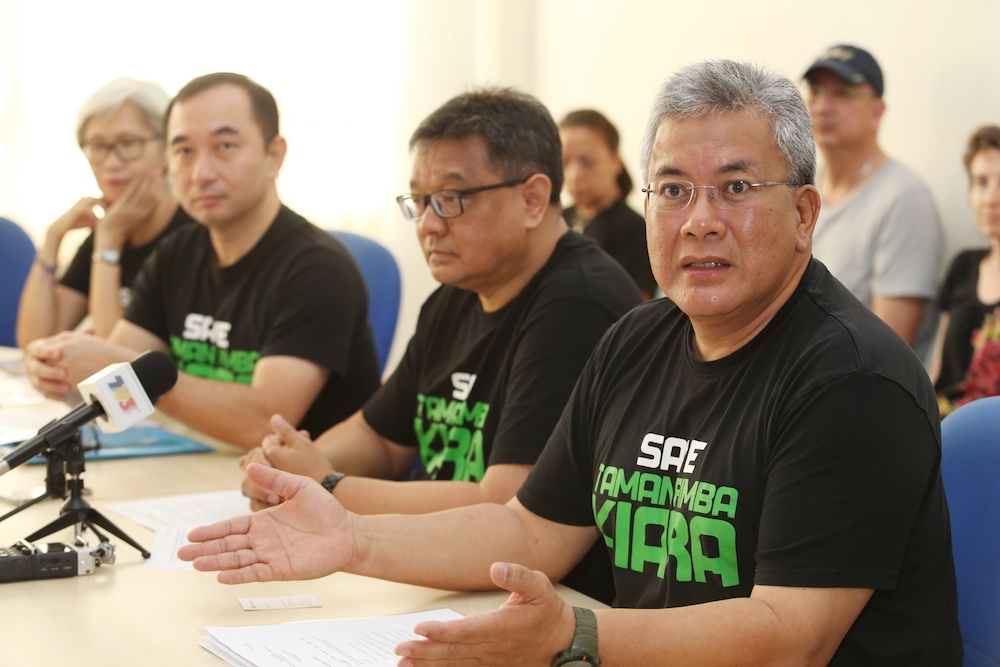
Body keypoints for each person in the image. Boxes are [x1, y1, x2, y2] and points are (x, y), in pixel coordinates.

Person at [180, 60, 961, 665]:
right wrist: (352, 537)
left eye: (734, 188)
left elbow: (789, 636)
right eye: (673, 190)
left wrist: (578, 633)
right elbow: (529, 530)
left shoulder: (851, 380)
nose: (699, 221)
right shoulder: (637, 341)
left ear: (802, 213)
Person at [239, 88, 643, 604]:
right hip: (447, 578)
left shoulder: (580, 306)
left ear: (532, 199)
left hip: (543, 595)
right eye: (420, 201)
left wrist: (329, 485)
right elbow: (381, 436)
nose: (428, 224)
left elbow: (504, 504)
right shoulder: (457, 295)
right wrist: (290, 468)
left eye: (451, 199)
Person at [23, 73, 381, 450]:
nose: (200, 174)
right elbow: (118, 383)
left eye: (224, 146)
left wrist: (130, 374)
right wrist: (59, 370)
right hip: (196, 462)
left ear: (274, 155)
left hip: (292, 479)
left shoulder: (319, 269)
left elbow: (264, 422)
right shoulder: (175, 253)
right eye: (184, 151)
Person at [16, 78, 194, 347]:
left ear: (166, 148)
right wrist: (53, 238)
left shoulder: (192, 235)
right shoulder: (104, 233)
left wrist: (109, 241)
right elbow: (35, 341)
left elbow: (117, 357)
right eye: (98, 146)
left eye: (129, 143)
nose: (111, 162)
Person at [803, 44, 944, 351]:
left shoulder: (904, 198)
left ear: (877, 112)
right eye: (816, 91)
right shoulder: (800, 188)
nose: (823, 106)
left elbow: (888, 349)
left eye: (844, 93)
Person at [931, 125, 1000, 416]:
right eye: (981, 182)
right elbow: (937, 371)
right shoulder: (963, 266)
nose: (991, 198)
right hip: (940, 423)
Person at [559, 109, 656, 299]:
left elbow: (637, 306)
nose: (574, 175)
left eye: (587, 162)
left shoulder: (633, 229)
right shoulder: (559, 218)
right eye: (565, 162)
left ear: (615, 160)